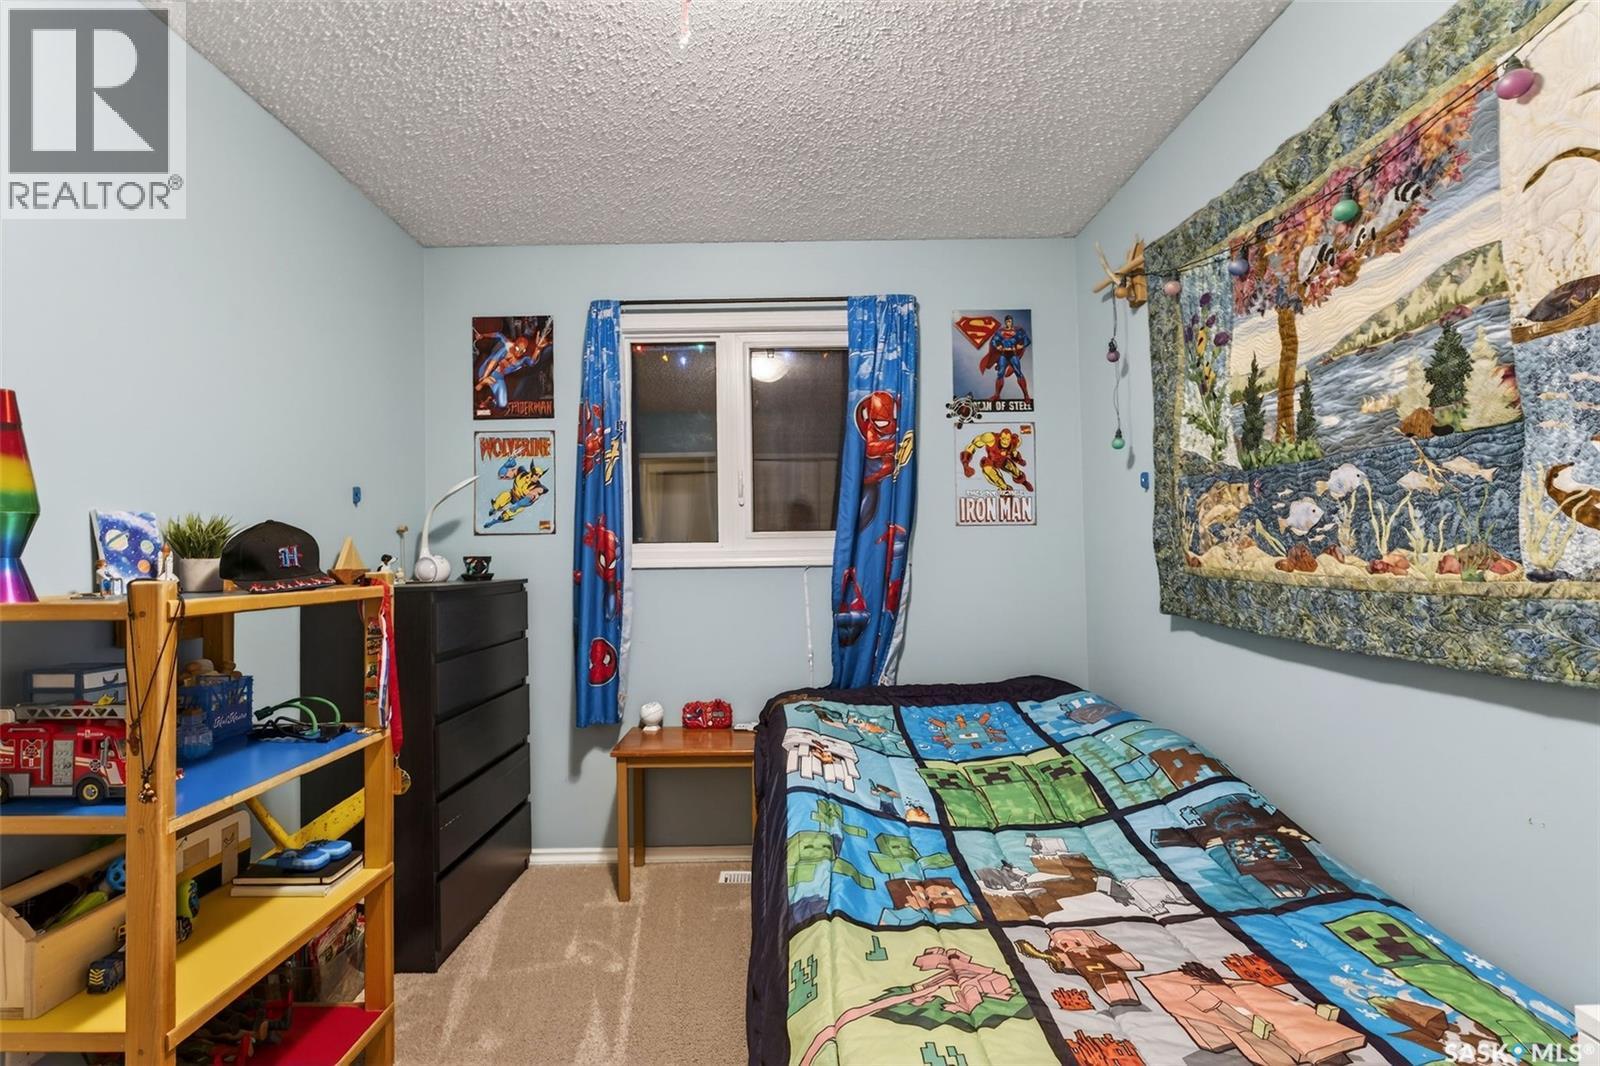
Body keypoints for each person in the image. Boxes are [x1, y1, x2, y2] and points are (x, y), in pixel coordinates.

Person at [960, 427, 1033, 493]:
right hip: (991, 461)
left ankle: (1024, 482)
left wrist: (1019, 460)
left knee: (1016, 472)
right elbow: (973, 445)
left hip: (1003, 460)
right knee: (987, 470)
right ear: (1000, 437)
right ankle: (1005, 489)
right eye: (1003, 439)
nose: (1005, 442)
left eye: (1007, 439)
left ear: (1010, 439)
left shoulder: (1015, 442)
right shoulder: (990, 438)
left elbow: (1014, 452)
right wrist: (965, 464)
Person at [981, 314, 1031, 402]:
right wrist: (997, 346)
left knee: (1018, 373)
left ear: (1012, 322)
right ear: (1005, 322)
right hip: (1003, 354)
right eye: (1007, 321)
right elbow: (994, 340)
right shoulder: (1000, 331)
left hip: (1013, 355)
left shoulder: (1018, 331)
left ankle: (1026, 395)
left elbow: (1027, 340)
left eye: (1010, 321)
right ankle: (997, 395)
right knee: (1000, 374)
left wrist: (1021, 345)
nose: (1009, 323)